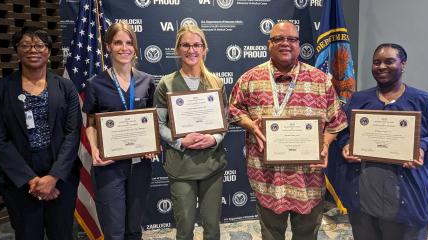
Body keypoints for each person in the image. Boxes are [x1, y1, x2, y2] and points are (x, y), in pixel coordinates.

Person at [228, 21, 347, 240]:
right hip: (267, 178)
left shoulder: (321, 81)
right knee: (271, 235)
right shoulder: (249, 79)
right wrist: (249, 124)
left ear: (299, 45)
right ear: (268, 44)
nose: (285, 43)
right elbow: (233, 110)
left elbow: (336, 121)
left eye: (291, 39)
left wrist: (326, 143)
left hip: (308, 180)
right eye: (278, 39)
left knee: (307, 235)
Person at [339, 43, 428, 240]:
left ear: (403, 65)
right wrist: (346, 144)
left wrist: (422, 147)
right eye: (377, 62)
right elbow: (343, 131)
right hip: (365, 196)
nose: (381, 66)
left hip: (409, 198)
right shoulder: (359, 100)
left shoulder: (425, 101)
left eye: (389, 61)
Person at [0, 26, 81, 240]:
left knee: (62, 234)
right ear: (17, 51)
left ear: (48, 51)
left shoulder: (66, 87)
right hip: (19, 180)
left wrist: (53, 177)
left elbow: (72, 134)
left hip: (61, 178)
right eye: (25, 45)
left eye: (39, 45)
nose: (33, 50)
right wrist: (32, 181)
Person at [153, 25, 227, 240]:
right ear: (177, 49)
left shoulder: (216, 83)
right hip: (181, 167)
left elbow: (225, 121)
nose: (191, 50)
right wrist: (180, 142)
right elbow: (158, 124)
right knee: (184, 227)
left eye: (196, 45)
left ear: (204, 49)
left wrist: (213, 138)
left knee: (212, 227)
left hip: (212, 165)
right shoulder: (166, 84)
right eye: (186, 45)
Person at [83, 22, 155, 240]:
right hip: (109, 167)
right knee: (114, 232)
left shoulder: (147, 81)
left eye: (129, 42)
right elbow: (91, 124)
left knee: (133, 228)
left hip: (140, 164)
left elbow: (151, 121)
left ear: (135, 47)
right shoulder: (95, 84)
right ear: (108, 47)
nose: (124, 48)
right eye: (118, 43)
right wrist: (94, 149)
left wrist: (152, 145)